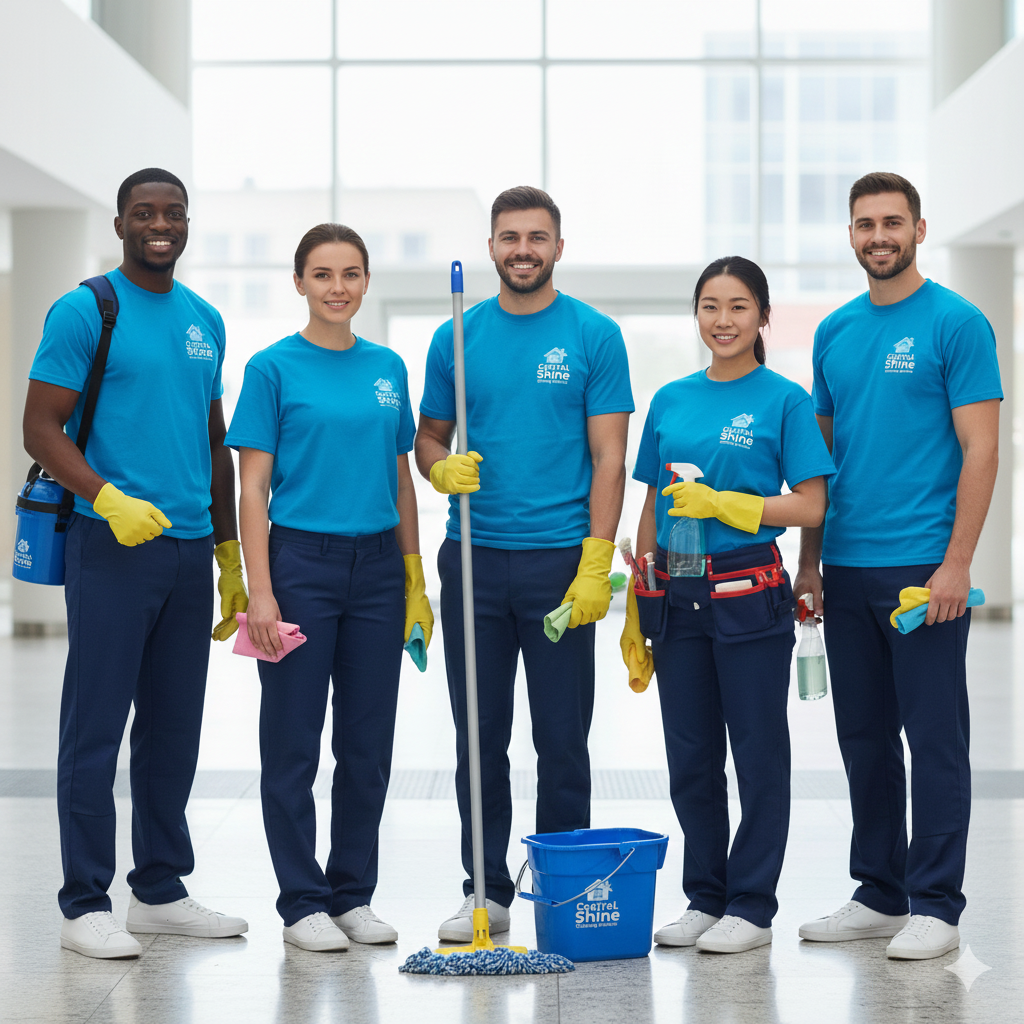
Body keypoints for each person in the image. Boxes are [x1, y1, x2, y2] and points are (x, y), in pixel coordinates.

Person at [23, 168, 249, 959]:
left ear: (188, 225)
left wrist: (228, 551)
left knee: (173, 726)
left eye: (174, 214)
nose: (160, 225)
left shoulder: (206, 321)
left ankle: (158, 889)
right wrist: (106, 497)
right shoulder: (87, 309)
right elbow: (40, 428)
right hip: (111, 545)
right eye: (144, 213)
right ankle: (85, 900)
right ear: (120, 224)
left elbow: (212, 441)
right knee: (94, 725)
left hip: (188, 552)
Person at [415, 186, 634, 942]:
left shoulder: (594, 335)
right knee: (479, 735)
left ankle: (563, 878)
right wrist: (441, 468)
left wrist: (596, 559)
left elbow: (610, 457)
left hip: (558, 564)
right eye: (509, 237)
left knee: (562, 736)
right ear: (491, 248)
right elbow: (428, 439)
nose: (523, 250)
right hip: (472, 559)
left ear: (559, 248)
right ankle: (487, 890)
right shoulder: (457, 336)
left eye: (537, 237)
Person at [795, 172, 1001, 960]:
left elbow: (982, 448)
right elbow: (822, 460)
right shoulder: (836, 333)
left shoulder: (957, 321)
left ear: (919, 227)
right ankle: (880, 892)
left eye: (891, 222)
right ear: (849, 235)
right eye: (863, 224)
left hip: (923, 568)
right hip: (845, 565)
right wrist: (810, 563)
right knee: (864, 736)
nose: (877, 236)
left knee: (934, 736)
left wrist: (957, 564)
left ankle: (937, 904)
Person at [227, 223, 432, 952]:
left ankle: (352, 895)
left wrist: (414, 578)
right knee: (292, 742)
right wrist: (261, 589)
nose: (337, 287)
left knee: (367, 743)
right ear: (299, 283)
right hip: (300, 564)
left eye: (350, 274)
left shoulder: (387, 368)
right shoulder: (272, 368)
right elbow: (252, 486)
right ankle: (302, 902)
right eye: (322, 274)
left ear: (368, 281)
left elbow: (399, 477)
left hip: (379, 567)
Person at [621, 256, 835, 953]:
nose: (723, 320)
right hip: (677, 592)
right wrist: (640, 593)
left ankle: (751, 905)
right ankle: (704, 897)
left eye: (739, 306)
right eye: (710, 306)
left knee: (758, 755)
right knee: (690, 756)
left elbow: (810, 501)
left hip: (750, 593)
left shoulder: (784, 400)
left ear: (763, 316)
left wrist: (733, 506)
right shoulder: (672, 399)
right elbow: (652, 499)